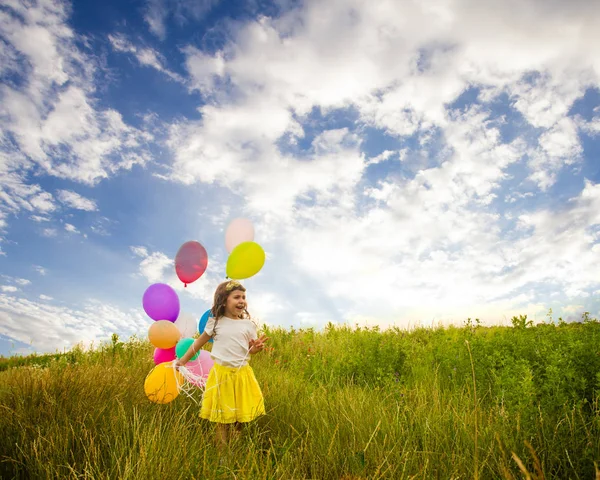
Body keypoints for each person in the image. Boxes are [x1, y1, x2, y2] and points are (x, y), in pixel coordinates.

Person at [176, 280, 269, 449]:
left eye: (243, 297)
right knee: (222, 418)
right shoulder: (216, 322)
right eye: (236, 297)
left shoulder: (248, 325)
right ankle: (222, 454)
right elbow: (198, 344)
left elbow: (250, 350)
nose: (241, 300)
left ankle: (234, 447)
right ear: (224, 300)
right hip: (221, 375)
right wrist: (183, 360)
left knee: (240, 417)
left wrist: (256, 348)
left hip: (242, 375)